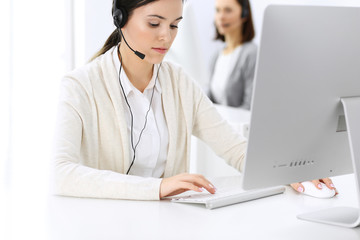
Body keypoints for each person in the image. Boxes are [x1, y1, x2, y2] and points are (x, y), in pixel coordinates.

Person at [53, 0, 336, 200]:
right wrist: (157, 188)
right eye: (154, 23)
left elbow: (234, 147)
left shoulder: (178, 82)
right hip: (104, 227)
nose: (166, 36)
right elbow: (61, 173)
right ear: (120, 19)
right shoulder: (80, 86)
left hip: (169, 225)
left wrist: (291, 170)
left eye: (175, 25)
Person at [208, 0, 256, 110]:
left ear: (244, 14)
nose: (221, 17)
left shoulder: (251, 54)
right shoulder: (216, 55)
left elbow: (250, 106)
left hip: (237, 125)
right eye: (218, 10)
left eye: (228, 10)